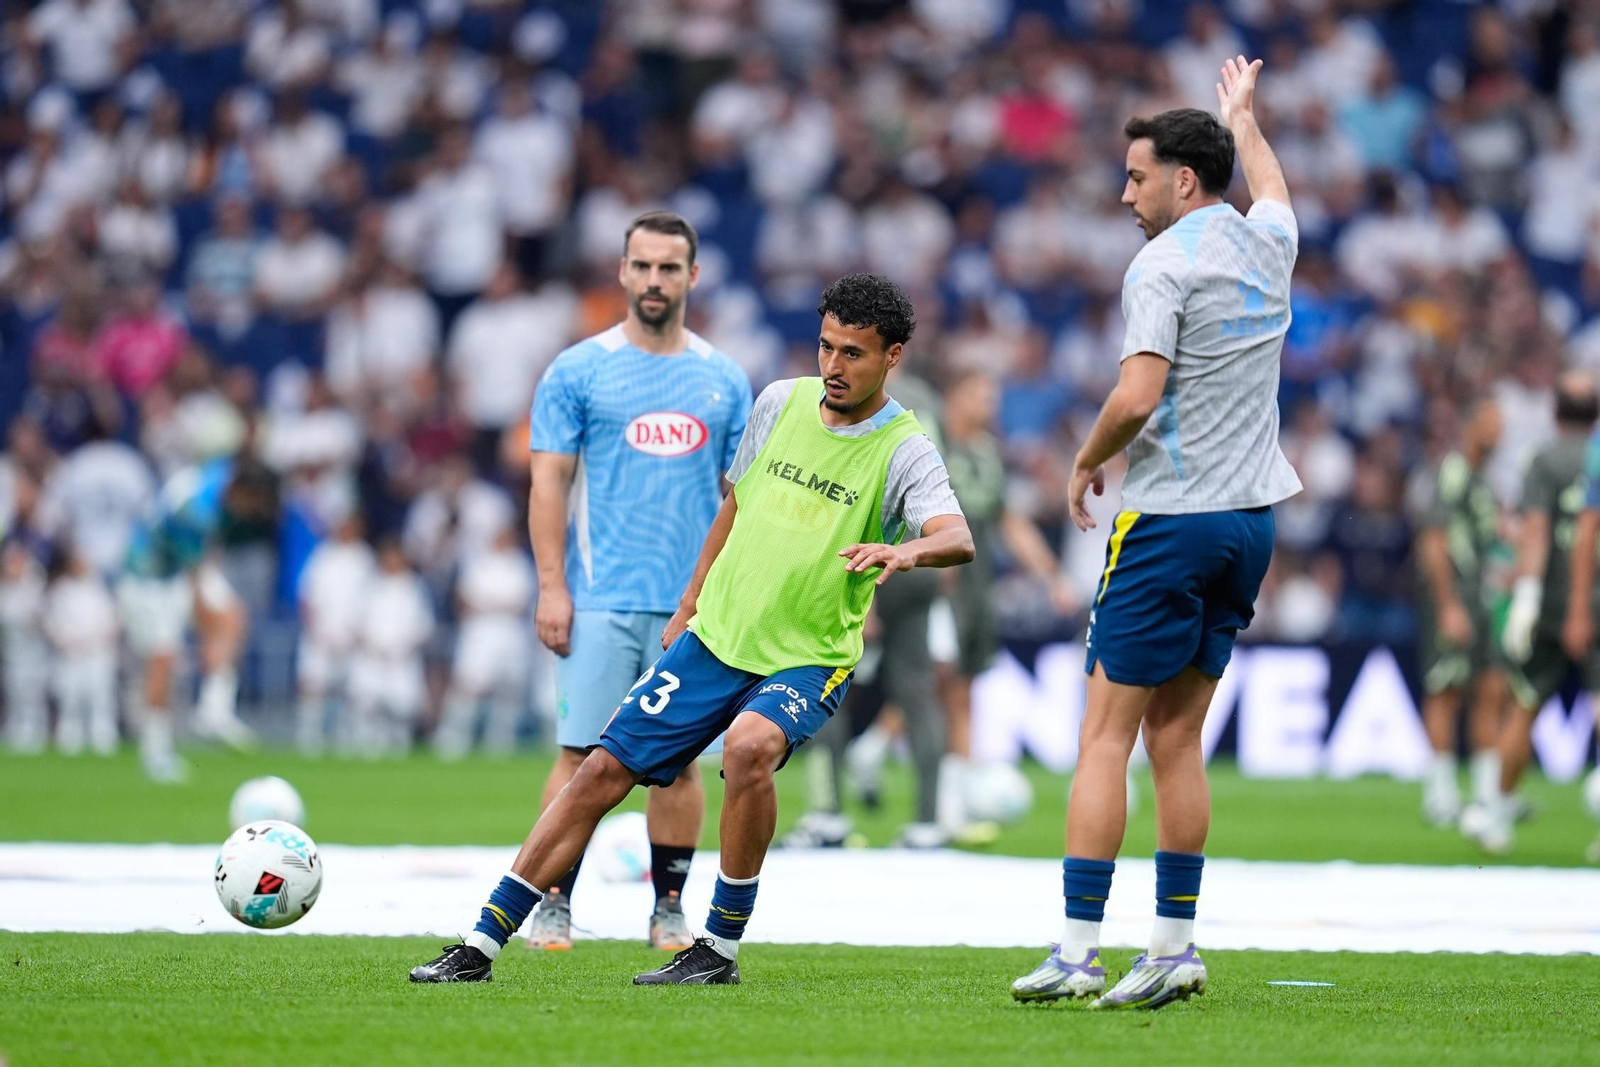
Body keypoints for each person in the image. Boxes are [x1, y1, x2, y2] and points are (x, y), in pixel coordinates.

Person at [409, 272, 973, 986]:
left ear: (893, 356)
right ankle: (480, 942)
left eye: (853, 354)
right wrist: (689, 603)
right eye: (826, 346)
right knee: (599, 770)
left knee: (749, 747)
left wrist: (907, 550)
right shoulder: (780, 402)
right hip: (716, 636)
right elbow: (733, 507)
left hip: (807, 655)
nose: (833, 365)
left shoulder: (905, 447)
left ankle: (718, 948)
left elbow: (957, 536)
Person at [1011, 59, 1302, 1010]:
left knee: (1104, 737)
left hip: (1171, 519)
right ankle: (1173, 946)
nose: (1124, 194)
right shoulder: (1269, 244)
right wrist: (1244, 121)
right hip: (1250, 523)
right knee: (1178, 739)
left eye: (1136, 177)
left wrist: (1085, 458)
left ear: (1182, 180)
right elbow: (1275, 192)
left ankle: (1076, 951)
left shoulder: (1164, 262)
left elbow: (1137, 395)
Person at [521, 211, 752, 953]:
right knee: (579, 756)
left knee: (677, 765)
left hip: (693, 610)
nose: (655, 280)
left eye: (669, 267)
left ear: (693, 276)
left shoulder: (724, 380)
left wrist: (727, 595)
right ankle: (553, 902)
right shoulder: (578, 369)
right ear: (622, 271)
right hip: (599, 598)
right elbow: (549, 484)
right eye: (643, 266)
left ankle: (669, 909)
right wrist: (552, 586)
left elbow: (743, 499)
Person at [937, 368, 1078, 843]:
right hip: (932, 585)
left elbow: (1010, 522)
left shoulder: (988, 453)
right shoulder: (930, 447)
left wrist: (1052, 577)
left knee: (961, 690)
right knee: (938, 685)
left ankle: (947, 808)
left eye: (992, 395)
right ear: (954, 396)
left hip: (976, 589)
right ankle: (877, 755)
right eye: (979, 394)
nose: (990, 405)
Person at [1469, 374, 1599, 854]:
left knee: (1523, 707)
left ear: (1554, 413)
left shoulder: (1542, 461)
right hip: (1598, 602)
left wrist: (1525, 596)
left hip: (1551, 603)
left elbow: (1537, 533)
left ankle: (1496, 814)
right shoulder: (1597, 457)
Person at [118, 457, 265, 781]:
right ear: (241, 491)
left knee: (232, 616)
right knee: (164, 657)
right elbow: (195, 575)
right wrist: (203, 630)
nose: (250, 512)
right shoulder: (196, 511)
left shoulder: (221, 475)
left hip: (174, 570)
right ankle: (156, 752)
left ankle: (214, 709)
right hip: (147, 577)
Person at [1414, 398, 1505, 828]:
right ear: (1471, 427)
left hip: (1483, 600)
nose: (1499, 432)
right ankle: (1441, 795)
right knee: (1445, 690)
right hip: (1455, 598)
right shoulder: (1453, 472)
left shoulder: (1483, 480)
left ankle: (1487, 795)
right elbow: (1433, 539)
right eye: (1491, 423)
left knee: (1490, 689)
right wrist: (1448, 604)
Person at [435, 523, 536, 760]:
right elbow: (464, 599)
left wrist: (490, 604)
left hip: (510, 635)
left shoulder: (519, 564)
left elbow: (520, 603)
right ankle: (454, 738)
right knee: (469, 688)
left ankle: (500, 741)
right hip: (480, 634)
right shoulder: (479, 563)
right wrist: (496, 606)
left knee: (508, 692)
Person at [294, 513, 375, 756]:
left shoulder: (365, 558)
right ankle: (309, 737)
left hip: (354, 637)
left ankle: (345, 738)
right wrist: (317, 630)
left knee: (353, 691)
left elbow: (371, 600)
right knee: (313, 685)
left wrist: (357, 633)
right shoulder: (323, 555)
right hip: (320, 634)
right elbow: (307, 596)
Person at [347, 536, 433, 758]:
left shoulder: (414, 587)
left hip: (402, 658)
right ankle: (366, 748)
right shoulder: (369, 586)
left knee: (402, 708)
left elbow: (423, 626)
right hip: (371, 656)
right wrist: (371, 646)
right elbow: (356, 622)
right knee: (365, 706)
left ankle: (399, 749)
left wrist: (402, 647)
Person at [43, 544, 120, 755]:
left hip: (96, 652)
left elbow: (111, 621)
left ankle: (102, 734)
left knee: (100, 695)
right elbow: (51, 621)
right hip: (69, 653)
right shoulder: (60, 591)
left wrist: (93, 640)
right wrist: (66, 640)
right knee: (70, 696)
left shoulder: (99, 589)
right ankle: (70, 735)